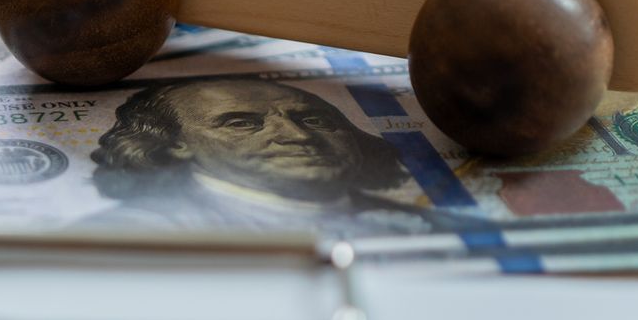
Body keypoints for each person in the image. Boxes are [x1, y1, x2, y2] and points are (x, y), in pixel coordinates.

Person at [88, 76, 483, 234]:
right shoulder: (136, 234)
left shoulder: (440, 227)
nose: (295, 136)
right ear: (175, 142)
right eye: (241, 123)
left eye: (315, 119)